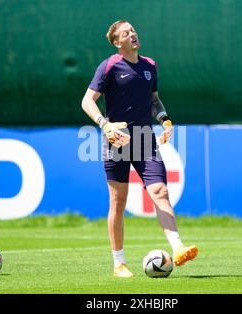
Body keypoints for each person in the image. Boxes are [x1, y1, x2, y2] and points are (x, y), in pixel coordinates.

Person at [81, 20, 198, 278]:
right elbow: (87, 100)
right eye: (126, 33)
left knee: (160, 190)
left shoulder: (150, 66)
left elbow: (154, 100)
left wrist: (165, 119)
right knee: (118, 201)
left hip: (145, 139)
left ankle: (178, 248)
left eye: (133, 30)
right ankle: (119, 263)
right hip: (117, 140)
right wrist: (104, 124)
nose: (132, 34)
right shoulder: (109, 66)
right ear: (117, 42)